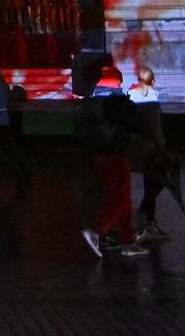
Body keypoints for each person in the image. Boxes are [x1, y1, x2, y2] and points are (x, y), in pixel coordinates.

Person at [73, 66, 147, 258]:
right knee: (122, 197)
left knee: (120, 197)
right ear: (119, 81)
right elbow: (138, 124)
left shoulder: (90, 101)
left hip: (95, 154)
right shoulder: (118, 100)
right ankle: (97, 231)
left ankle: (128, 240)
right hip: (116, 152)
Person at [124, 64, 173, 239]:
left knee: (151, 183)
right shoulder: (151, 98)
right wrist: (161, 146)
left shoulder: (131, 97)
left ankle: (148, 222)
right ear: (153, 80)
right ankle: (145, 216)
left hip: (139, 147)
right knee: (159, 180)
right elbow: (155, 128)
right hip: (152, 148)